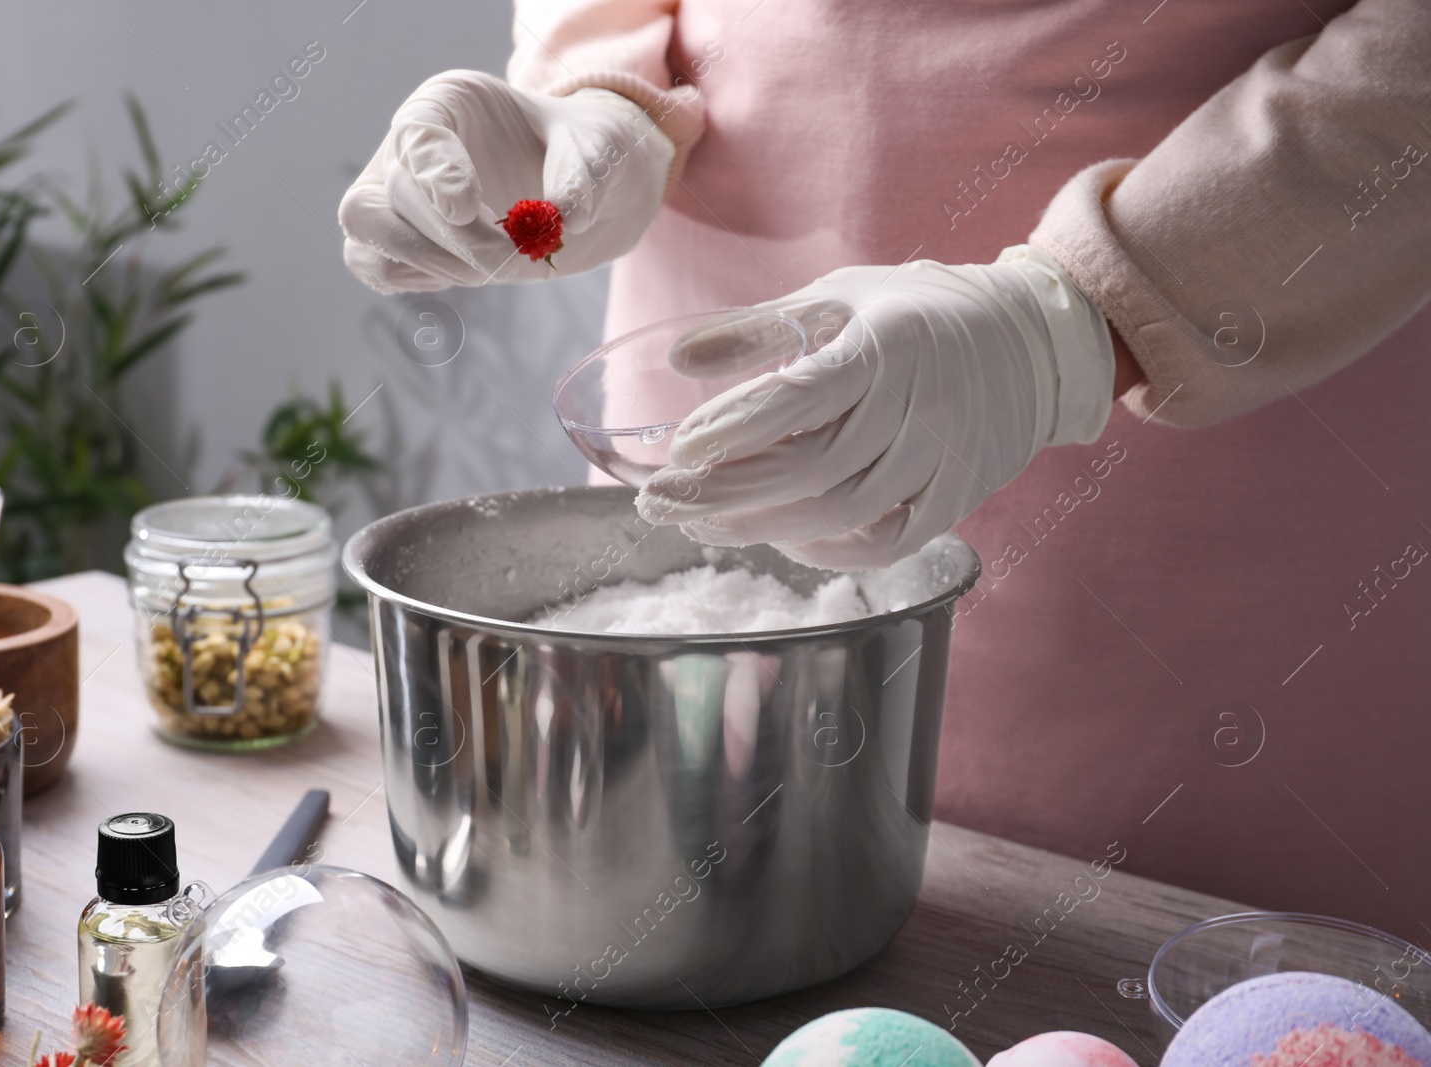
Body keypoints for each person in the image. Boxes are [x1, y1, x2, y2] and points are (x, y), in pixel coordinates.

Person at [338, 0, 1431, 940]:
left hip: (1199, 450)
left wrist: (1076, 321)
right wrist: (601, 84)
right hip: (711, 367)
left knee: (1171, 974)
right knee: (696, 904)